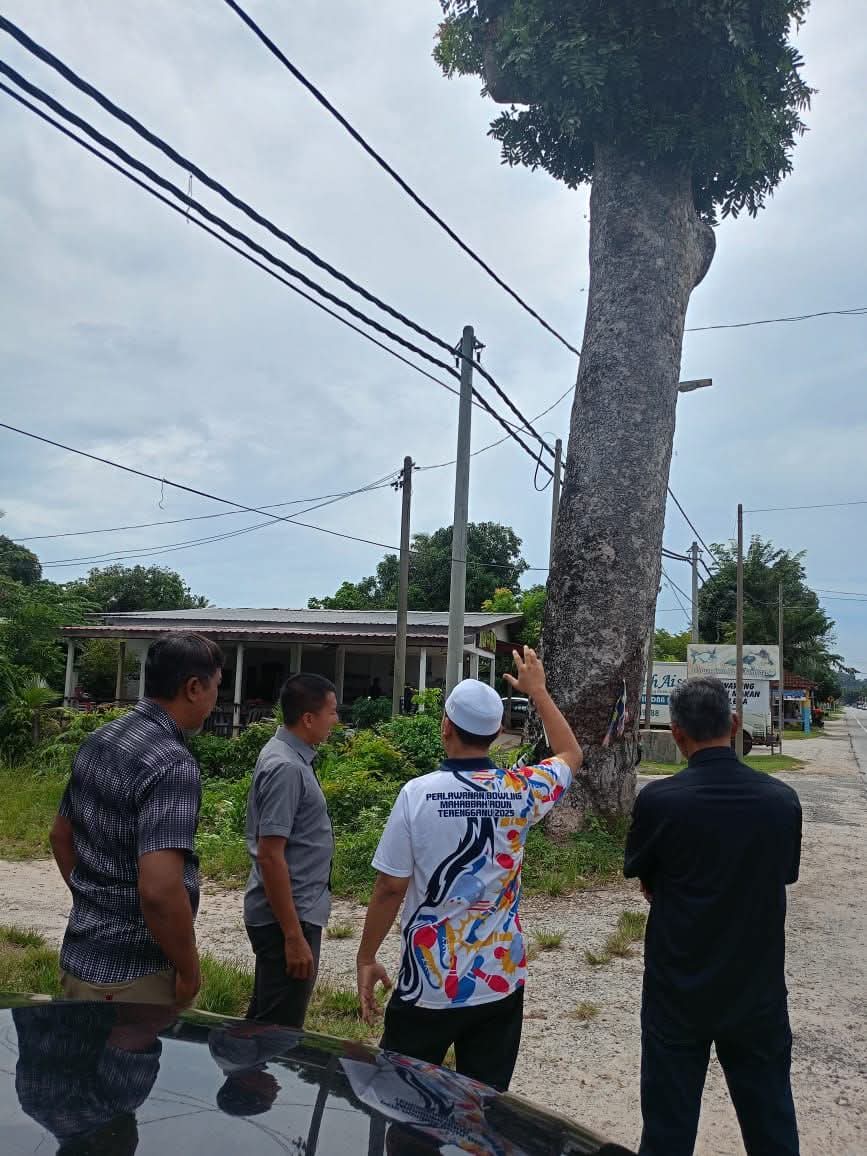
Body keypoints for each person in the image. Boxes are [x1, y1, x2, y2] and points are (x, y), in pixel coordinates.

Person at [356, 646, 582, 1091]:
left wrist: (366, 956)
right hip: (499, 981)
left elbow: (390, 887)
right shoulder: (521, 789)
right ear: (497, 732)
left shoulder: (417, 794)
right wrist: (538, 692)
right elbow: (570, 753)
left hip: (427, 982)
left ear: (445, 726)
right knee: (485, 1105)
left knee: (401, 1101)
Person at [625, 675, 802, 1156]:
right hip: (757, 991)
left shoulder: (659, 800)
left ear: (676, 733)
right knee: (771, 1124)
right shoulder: (781, 800)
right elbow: (782, 875)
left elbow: (646, 881)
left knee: (667, 1129)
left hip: (677, 991)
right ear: (735, 723)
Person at [50, 632, 223, 1007]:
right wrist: (189, 970)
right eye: (216, 688)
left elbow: (61, 836)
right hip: (134, 977)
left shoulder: (100, 738)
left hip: (79, 960)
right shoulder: (172, 764)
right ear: (194, 688)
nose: (215, 702)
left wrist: (96, 903)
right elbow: (160, 889)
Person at [243, 672, 340, 1028]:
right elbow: (270, 855)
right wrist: (293, 936)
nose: (336, 720)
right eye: (332, 711)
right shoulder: (285, 767)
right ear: (308, 718)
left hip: (292, 911)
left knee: (264, 1024)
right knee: (278, 1034)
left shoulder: (291, 757)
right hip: (287, 917)